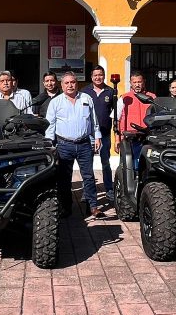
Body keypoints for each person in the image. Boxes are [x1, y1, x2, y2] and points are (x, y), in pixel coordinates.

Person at [46, 72, 103, 219]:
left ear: (77, 84)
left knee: (89, 176)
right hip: (64, 145)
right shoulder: (56, 102)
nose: (70, 85)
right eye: (67, 83)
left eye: (73, 82)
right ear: (62, 85)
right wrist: (49, 145)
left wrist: (97, 137)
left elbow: (93, 120)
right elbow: (50, 125)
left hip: (84, 144)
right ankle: (66, 207)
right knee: (64, 178)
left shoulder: (86, 98)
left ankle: (92, 206)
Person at [83, 65, 117, 204]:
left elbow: (115, 113)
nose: (98, 77)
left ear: (104, 75)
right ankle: (87, 192)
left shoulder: (110, 91)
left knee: (105, 163)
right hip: (88, 135)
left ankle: (109, 189)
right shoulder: (85, 92)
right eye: (95, 75)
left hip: (105, 134)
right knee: (87, 165)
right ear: (91, 77)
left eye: (100, 74)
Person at [117, 71, 155, 170]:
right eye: (134, 82)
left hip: (147, 138)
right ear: (130, 83)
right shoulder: (124, 98)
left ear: (144, 82)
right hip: (130, 138)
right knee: (128, 167)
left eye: (139, 82)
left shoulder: (152, 97)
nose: (137, 84)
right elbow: (117, 119)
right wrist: (117, 140)